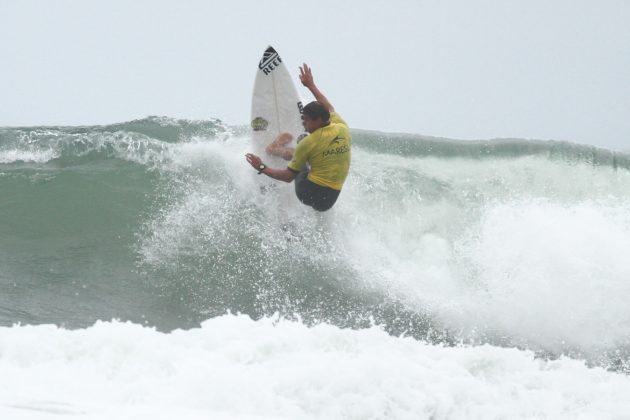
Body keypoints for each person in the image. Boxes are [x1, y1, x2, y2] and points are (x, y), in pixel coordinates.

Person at [245, 64, 351, 212]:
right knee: (311, 151)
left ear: (319, 120)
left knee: (301, 145)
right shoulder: (342, 127)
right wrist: (311, 85)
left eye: (306, 120)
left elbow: (288, 177)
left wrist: (261, 167)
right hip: (328, 203)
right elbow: (329, 107)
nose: (304, 124)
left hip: (306, 193)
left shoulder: (309, 143)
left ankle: (274, 149)